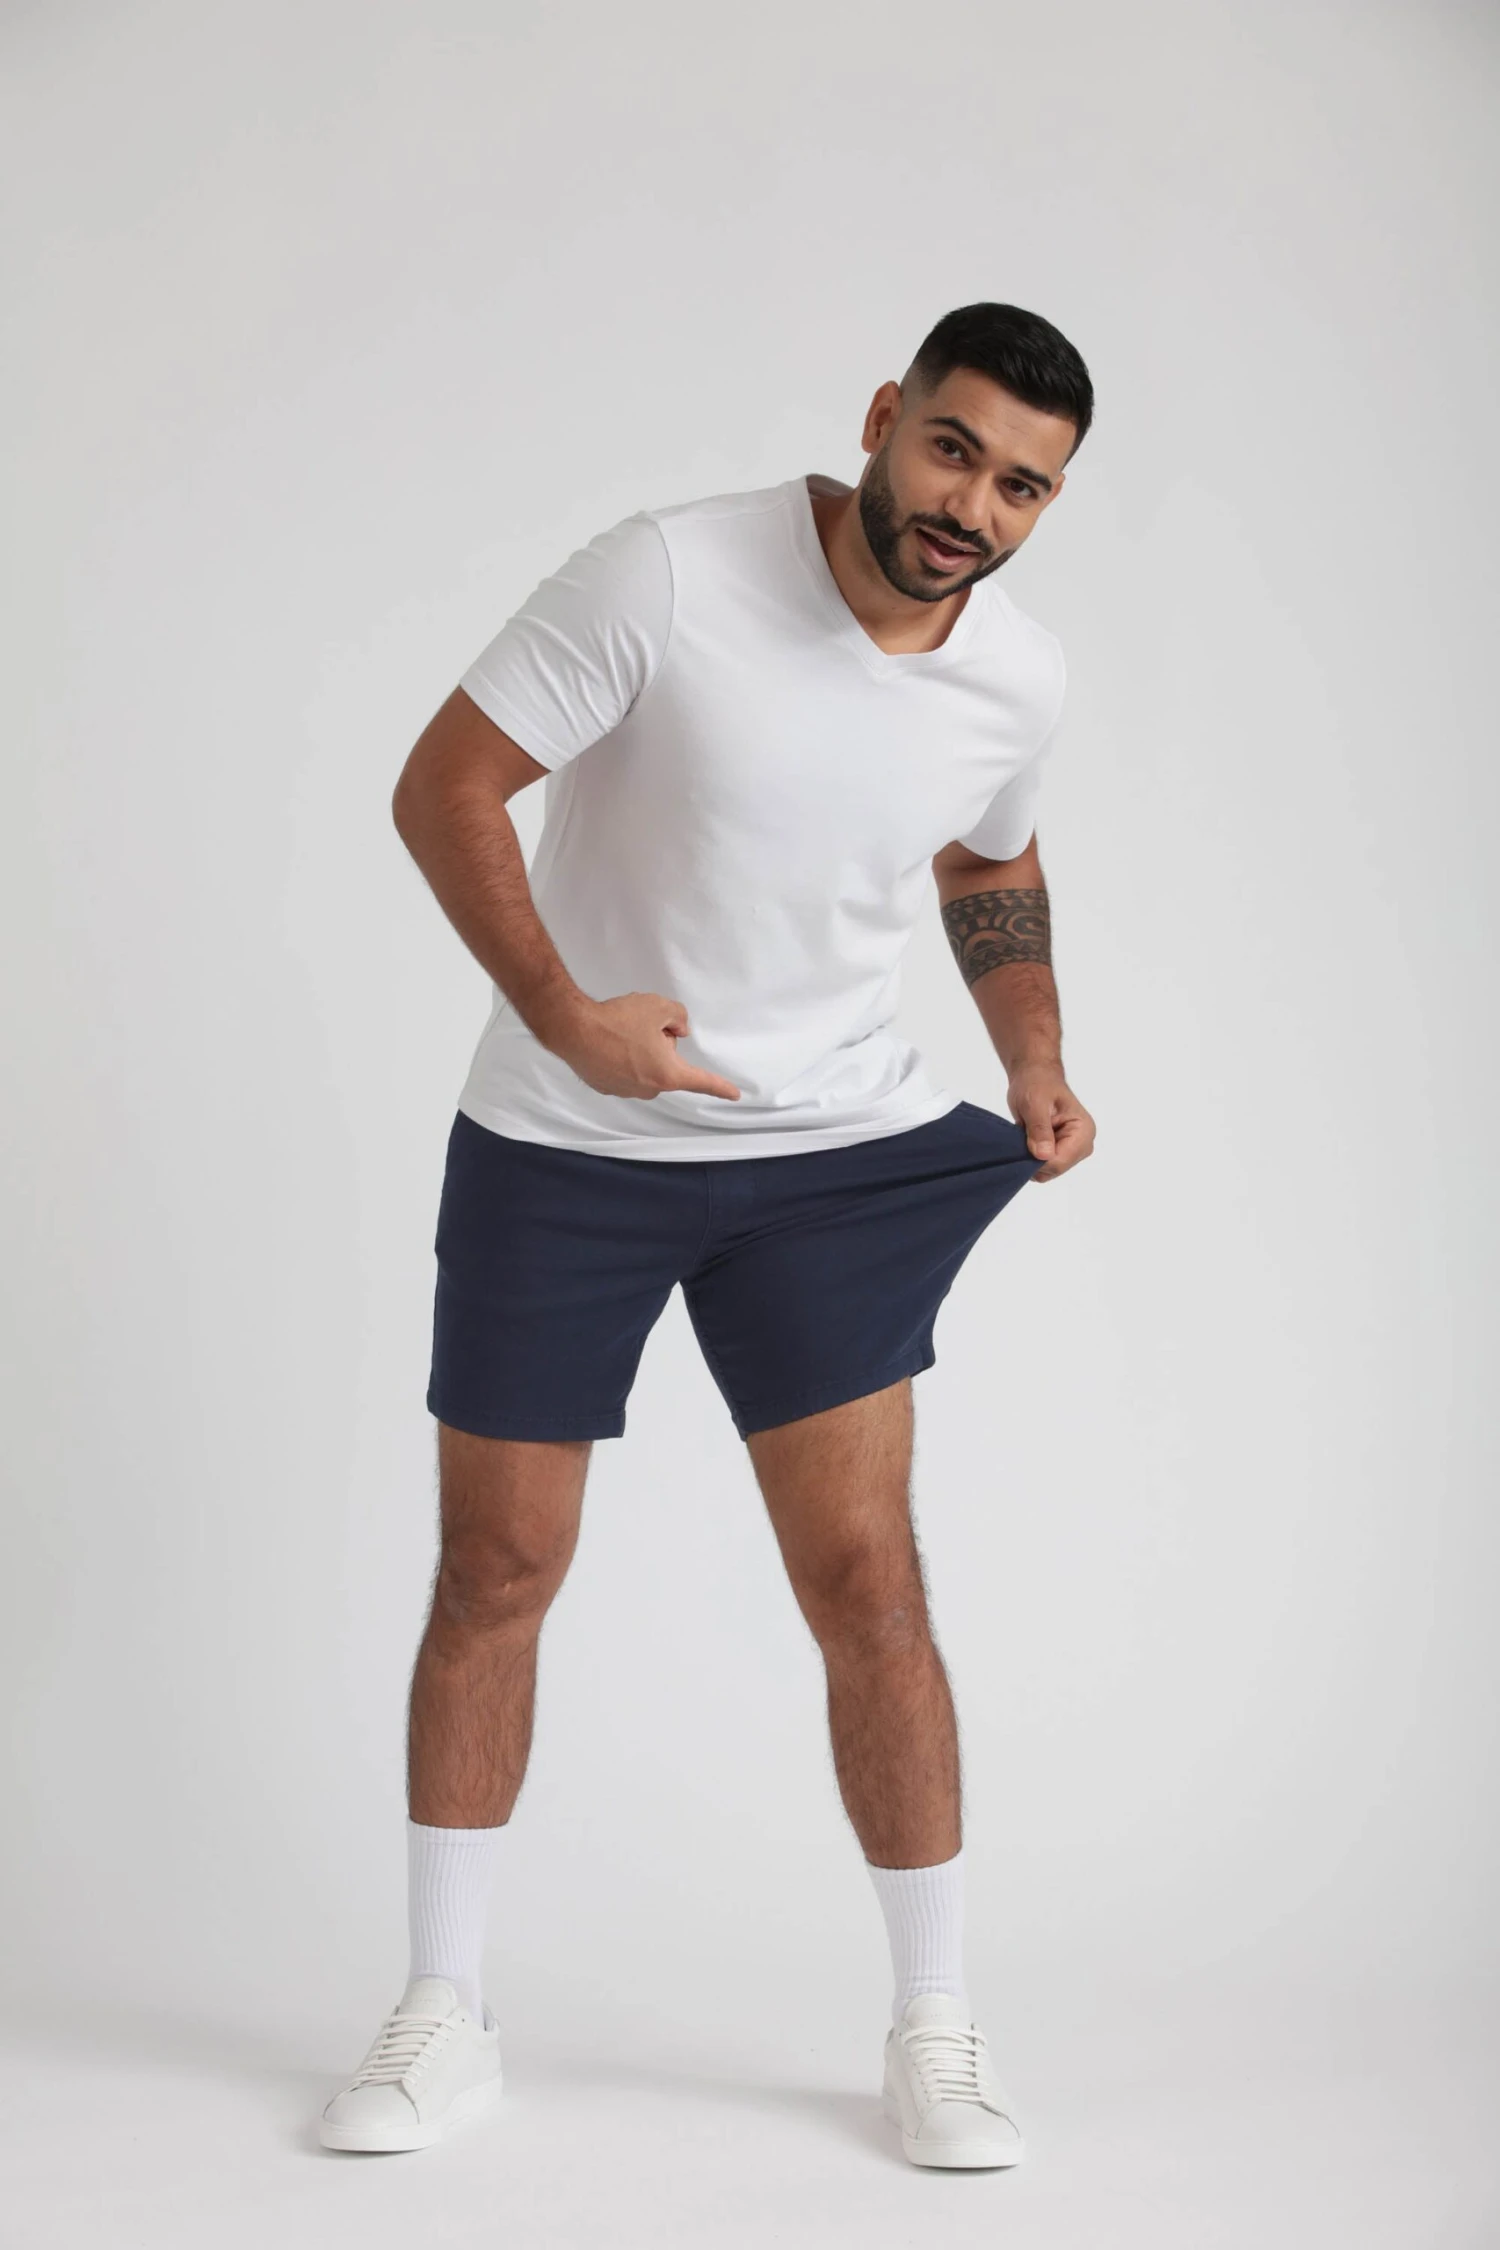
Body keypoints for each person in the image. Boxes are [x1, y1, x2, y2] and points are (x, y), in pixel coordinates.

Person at [318, 302, 1097, 2169]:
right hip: (569, 1141)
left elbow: (987, 852)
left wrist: (1035, 1049)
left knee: (868, 1581)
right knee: (497, 1567)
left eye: (1021, 487)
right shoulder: (667, 574)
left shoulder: (1018, 678)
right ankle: (445, 2009)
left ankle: (935, 2026)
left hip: (829, 1159)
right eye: (953, 448)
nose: (972, 506)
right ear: (884, 416)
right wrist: (568, 1013)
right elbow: (444, 783)